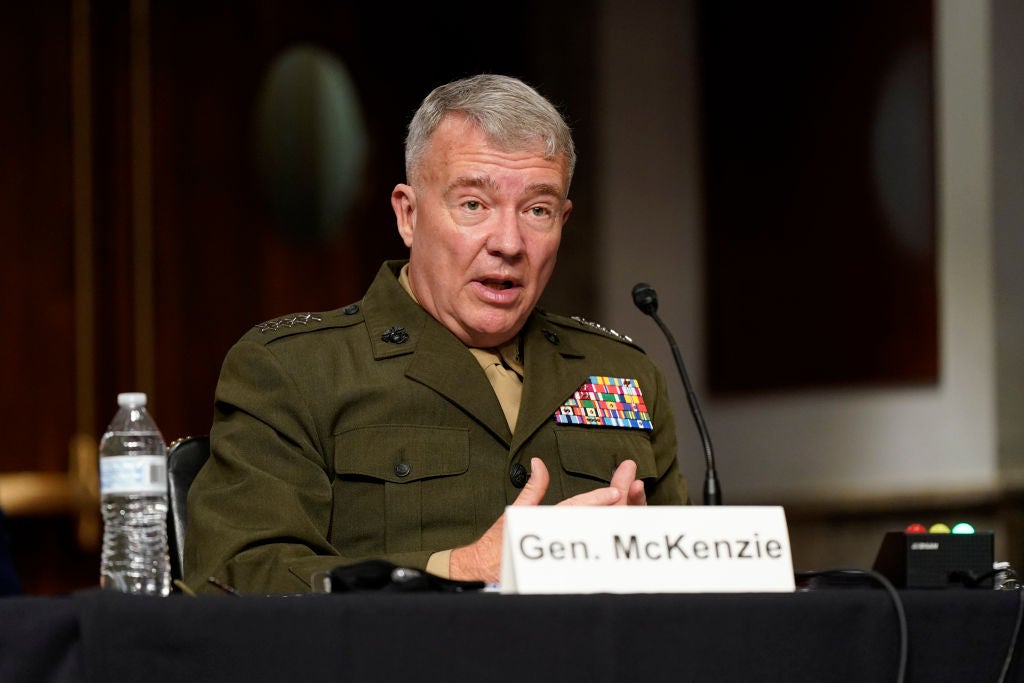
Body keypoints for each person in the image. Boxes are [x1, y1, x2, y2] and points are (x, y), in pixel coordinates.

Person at [185, 74, 688, 594]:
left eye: (537, 210)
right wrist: (462, 567)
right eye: (473, 204)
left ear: (563, 221)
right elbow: (238, 578)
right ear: (408, 215)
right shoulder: (294, 370)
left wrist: (652, 561)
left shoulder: (625, 373)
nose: (509, 243)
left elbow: (701, 586)